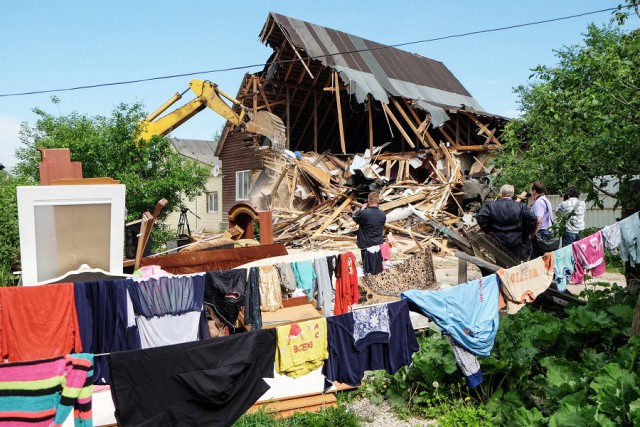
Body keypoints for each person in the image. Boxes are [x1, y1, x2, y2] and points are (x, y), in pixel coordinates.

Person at [475, 184, 537, 261]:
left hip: (498, 239)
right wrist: (525, 233)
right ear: (513, 194)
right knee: (515, 265)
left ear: (501, 194)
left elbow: (479, 216)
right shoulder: (521, 206)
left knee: (500, 265)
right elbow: (533, 219)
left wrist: (487, 229)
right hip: (516, 239)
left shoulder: (492, 205)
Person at [353, 192, 386, 274]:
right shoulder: (382, 214)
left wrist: (362, 208)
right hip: (378, 243)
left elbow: (355, 218)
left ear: (368, 200)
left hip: (366, 244)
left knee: (368, 269)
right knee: (377, 268)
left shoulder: (364, 213)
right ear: (378, 201)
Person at [529, 181, 554, 258]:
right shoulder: (545, 200)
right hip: (548, 231)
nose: (530, 191)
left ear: (534, 191)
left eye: (530, 190)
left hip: (541, 233)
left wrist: (533, 235)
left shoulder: (539, 202)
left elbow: (539, 220)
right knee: (545, 259)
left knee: (535, 260)